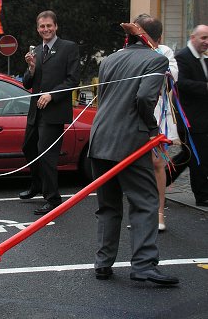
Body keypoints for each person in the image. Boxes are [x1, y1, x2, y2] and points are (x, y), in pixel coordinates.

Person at [88, 14, 178, 285]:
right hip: (130, 142)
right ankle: (144, 264)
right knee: (146, 202)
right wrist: (153, 130)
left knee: (108, 206)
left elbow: (105, 99)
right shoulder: (156, 59)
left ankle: (103, 263)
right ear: (157, 39)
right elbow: (143, 98)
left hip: (99, 138)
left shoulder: (110, 59)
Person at [18, 10, 80, 215]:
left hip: (54, 112)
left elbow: (73, 80)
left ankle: (52, 198)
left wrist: (52, 95)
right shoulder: (35, 50)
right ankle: (37, 184)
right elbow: (27, 83)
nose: (45, 29)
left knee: (46, 155)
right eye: (42, 27)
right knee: (29, 148)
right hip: (35, 112)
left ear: (56, 26)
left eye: (49, 26)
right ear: (37, 29)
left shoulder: (68, 48)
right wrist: (32, 68)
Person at [174, 24, 208, 207]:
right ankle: (202, 195)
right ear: (193, 37)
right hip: (190, 119)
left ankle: (162, 179)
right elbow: (181, 84)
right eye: (203, 38)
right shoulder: (182, 57)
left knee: (189, 155)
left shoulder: (203, 58)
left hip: (202, 117)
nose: (206, 42)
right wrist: (205, 87)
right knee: (198, 157)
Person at [152, 44, 179, 232]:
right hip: (133, 115)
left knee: (157, 163)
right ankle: (142, 212)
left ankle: (159, 212)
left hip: (158, 115)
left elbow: (170, 80)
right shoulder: (127, 50)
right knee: (137, 168)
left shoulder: (165, 52)